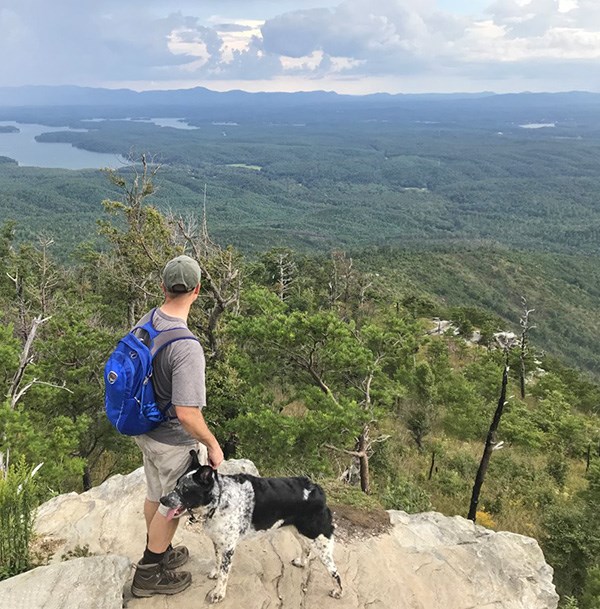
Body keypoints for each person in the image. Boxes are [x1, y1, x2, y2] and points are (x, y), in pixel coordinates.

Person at [131, 254, 224, 598]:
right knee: (174, 504)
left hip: (146, 429)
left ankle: (161, 550)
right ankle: (149, 572)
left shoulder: (147, 322)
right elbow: (187, 413)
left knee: (155, 494)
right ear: (197, 290)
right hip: (171, 439)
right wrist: (212, 445)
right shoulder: (185, 346)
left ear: (163, 287)